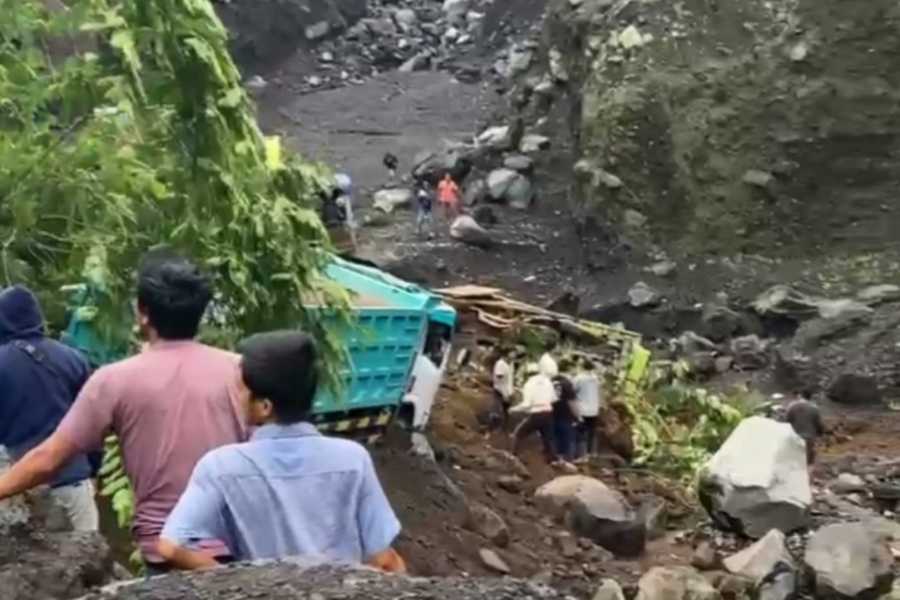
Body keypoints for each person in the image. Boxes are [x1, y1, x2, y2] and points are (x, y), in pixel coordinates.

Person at [0, 250, 247, 574]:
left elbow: (48, 459)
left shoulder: (115, 380)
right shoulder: (240, 371)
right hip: (234, 546)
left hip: (166, 549)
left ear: (143, 312)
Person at [158, 330, 406, 573]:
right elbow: (383, 559)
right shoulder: (353, 459)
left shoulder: (220, 466)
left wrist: (241, 583)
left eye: (241, 390)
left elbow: (171, 546)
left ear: (265, 406)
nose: (237, 396)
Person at [0, 285, 99, 531]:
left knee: (27, 567)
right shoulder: (73, 358)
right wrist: (92, 469)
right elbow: (94, 426)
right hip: (75, 482)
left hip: (19, 488)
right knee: (91, 562)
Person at [510, 363, 557, 463]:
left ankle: (513, 457)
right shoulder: (547, 381)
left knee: (518, 434)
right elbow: (554, 399)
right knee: (547, 438)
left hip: (536, 414)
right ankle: (552, 460)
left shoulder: (529, 384)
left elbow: (526, 404)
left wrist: (513, 409)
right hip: (548, 413)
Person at [784, 390, 826, 465]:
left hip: (794, 438)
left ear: (801, 395)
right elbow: (819, 425)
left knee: (792, 461)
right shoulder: (814, 408)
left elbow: (786, 421)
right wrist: (821, 434)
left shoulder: (792, 406)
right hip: (809, 439)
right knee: (808, 462)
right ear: (811, 397)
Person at [573, 360, 602, 459]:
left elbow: (572, 391)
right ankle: (592, 453)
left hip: (583, 410)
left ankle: (581, 455)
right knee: (592, 432)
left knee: (580, 432)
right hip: (594, 409)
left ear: (582, 366)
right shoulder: (596, 378)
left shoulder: (579, 378)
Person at [551, 371, 578, 462]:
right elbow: (571, 403)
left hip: (552, 415)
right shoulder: (568, 385)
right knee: (568, 439)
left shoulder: (550, 384)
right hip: (566, 416)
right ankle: (569, 460)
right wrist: (578, 416)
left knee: (555, 438)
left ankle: (557, 459)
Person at [490, 351, 515, 429]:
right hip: (500, 390)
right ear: (506, 355)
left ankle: (503, 429)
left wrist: (510, 391)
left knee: (506, 411)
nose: (514, 356)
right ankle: (493, 428)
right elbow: (499, 379)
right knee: (497, 410)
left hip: (508, 391)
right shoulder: (500, 364)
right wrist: (504, 393)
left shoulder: (510, 364)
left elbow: (509, 379)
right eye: (512, 353)